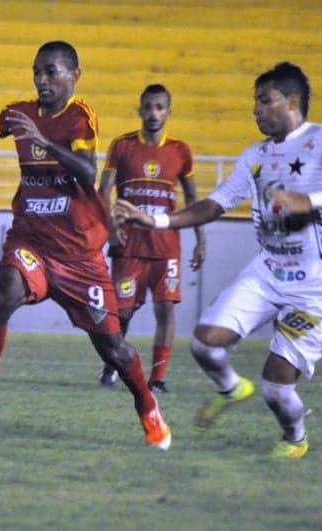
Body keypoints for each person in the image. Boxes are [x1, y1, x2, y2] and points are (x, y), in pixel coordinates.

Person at [114, 62, 322, 458]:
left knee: (276, 387)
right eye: (254, 102)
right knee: (204, 344)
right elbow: (212, 205)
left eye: (264, 101)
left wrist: (311, 200)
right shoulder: (254, 155)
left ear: (292, 101)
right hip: (267, 271)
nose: (255, 110)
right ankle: (231, 388)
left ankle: (295, 439)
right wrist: (151, 219)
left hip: (314, 285)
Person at [0, 41, 172, 450]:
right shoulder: (20, 113)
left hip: (79, 254)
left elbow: (88, 170)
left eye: (52, 72)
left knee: (113, 350)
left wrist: (45, 143)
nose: (42, 80)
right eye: (37, 72)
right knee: (3, 292)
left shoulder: (79, 117)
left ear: (74, 76)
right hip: (31, 240)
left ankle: (146, 404)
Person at [97, 84, 206, 393]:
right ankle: (112, 361)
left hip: (166, 247)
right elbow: (103, 191)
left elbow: (194, 199)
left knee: (166, 308)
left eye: (160, 107)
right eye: (148, 107)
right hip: (128, 245)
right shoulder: (122, 146)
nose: (154, 113)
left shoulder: (180, 151)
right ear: (140, 110)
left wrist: (201, 239)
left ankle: (157, 378)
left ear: (168, 112)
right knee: (123, 311)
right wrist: (110, 230)